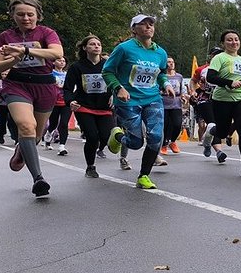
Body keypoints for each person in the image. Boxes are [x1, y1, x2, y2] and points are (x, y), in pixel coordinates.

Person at [0, 0, 65, 198]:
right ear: (13, 15)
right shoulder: (5, 37)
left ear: (37, 15)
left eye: (30, 14)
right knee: (26, 126)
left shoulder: (47, 33)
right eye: (20, 14)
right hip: (17, 84)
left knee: (37, 135)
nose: (26, 18)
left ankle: (22, 149)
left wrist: (24, 51)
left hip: (44, 86)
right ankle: (38, 179)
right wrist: (13, 59)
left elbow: (56, 53)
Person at [102, 14, 176, 189]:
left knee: (156, 137)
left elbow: (161, 73)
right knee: (136, 143)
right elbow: (107, 71)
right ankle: (118, 135)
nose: (149, 27)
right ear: (134, 29)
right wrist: (118, 88)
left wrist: (165, 84)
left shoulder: (160, 52)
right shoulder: (124, 49)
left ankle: (143, 176)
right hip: (128, 100)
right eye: (143, 24)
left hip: (152, 98)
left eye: (151, 24)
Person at [201, 30, 241, 176]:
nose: (234, 42)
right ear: (223, 43)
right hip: (222, 99)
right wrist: (229, 83)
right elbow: (211, 77)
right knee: (222, 132)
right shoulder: (219, 58)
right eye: (229, 40)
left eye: (236, 39)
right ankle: (211, 131)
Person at [63, 35, 114, 178]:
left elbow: (117, 82)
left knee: (105, 136)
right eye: (92, 44)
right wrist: (70, 102)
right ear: (85, 48)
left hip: (104, 106)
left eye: (99, 44)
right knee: (92, 136)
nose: (96, 46)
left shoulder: (108, 65)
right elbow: (67, 89)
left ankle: (99, 149)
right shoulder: (76, 67)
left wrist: (114, 94)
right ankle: (90, 167)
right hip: (84, 105)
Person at [190, 46, 222, 143]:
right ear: (211, 56)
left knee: (219, 124)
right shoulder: (202, 69)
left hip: (220, 99)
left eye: (219, 54)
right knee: (211, 123)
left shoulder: (225, 68)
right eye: (215, 54)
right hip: (205, 99)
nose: (217, 56)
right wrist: (193, 91)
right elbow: (193, 81)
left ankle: (208, 140)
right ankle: (217, 148)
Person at [43, 56, 70, 155]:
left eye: (64, 61)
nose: (62, 62)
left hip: (66, 102)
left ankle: (62, 146)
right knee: (53, 123)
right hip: (53, 102)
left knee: (64, 123)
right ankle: (48, 134)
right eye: (59, 60)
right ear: (54, 62)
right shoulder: (50, 74)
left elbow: (72, 86)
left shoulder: (68, 75)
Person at [161, 56, 186, 156]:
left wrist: (184, 97)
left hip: (176, 104)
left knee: (177, 124)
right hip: (164, 103)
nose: (171, 64)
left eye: (172, 62)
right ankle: (164, 145)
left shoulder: (179, 76)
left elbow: (182, 89)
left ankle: (173, 141)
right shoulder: (162, 76)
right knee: (165, 125)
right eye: (168, 62)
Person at [0, 70, 18, 144]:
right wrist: (1, 94)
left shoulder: (13, 82)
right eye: (3, 74)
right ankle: (1, 135)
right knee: (2, 120)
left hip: (11, 103)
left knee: (13, 120)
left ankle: (15, 136)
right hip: (1, 104)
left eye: (6, 74)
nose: (5, 75)